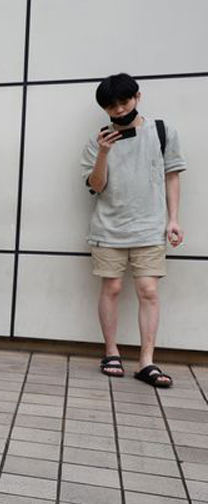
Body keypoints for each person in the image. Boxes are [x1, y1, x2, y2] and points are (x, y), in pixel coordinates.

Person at [82, 72, 185, 388]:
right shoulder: (97, 141)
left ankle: (147, 361)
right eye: (110, 106)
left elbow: (172, 176)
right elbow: (96, 187)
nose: (118, 110)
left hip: (150, 226)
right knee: (111, 288)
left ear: (137, 97)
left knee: (148, 291)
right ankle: (111, 352)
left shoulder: (161, 132)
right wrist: (103, 153)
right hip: (108, 228)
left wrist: (173, 219)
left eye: (123, 102)